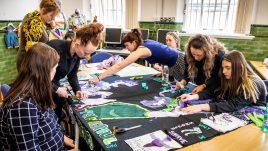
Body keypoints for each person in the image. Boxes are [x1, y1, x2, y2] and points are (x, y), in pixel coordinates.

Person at [0, 43, 76, 150]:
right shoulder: (23, 106)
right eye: (55, 68)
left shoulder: (38, 90)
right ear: (44, 72)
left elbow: (50, 123)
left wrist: (62, 137)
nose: (55, 71)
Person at [46, 23, 104, 120]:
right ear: (77, 43)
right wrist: (56, 89)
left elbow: (72, 75)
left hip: (53, 85)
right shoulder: (54, 48)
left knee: (58, 116)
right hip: (40, 89)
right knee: (50, 120)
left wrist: (78, 90)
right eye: (86, 53)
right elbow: (38, 77)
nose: (86, 57)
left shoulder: (77, 54)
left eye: (89, 54)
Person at [180, 50, 267, 113]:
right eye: (223, 68)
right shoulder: (228, 76)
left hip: (256, 118)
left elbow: (233, 105)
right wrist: (193, 97)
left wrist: (201, 106)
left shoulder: (252, 83)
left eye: (228, 68)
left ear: (239, 67)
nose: (224, 71)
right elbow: (213, 91)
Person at [89, 28, 182, 83]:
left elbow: (119, 65)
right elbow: (163, 55)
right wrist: (163, 72)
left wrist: (98, 78)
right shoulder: (144, 44)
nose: (127, 48)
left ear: (134, 43)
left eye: (127, 46)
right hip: (173, 62)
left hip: (180, 61)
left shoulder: (141, 50)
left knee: (183, 87)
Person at [17, 0, 61, 70]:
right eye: (51, 15)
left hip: (32, 60)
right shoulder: (33, 22)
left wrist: (51, 26)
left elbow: (42, 32)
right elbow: (36, 48)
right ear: (43, 10)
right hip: (29, 63)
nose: (53, 19)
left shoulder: (36, 16)